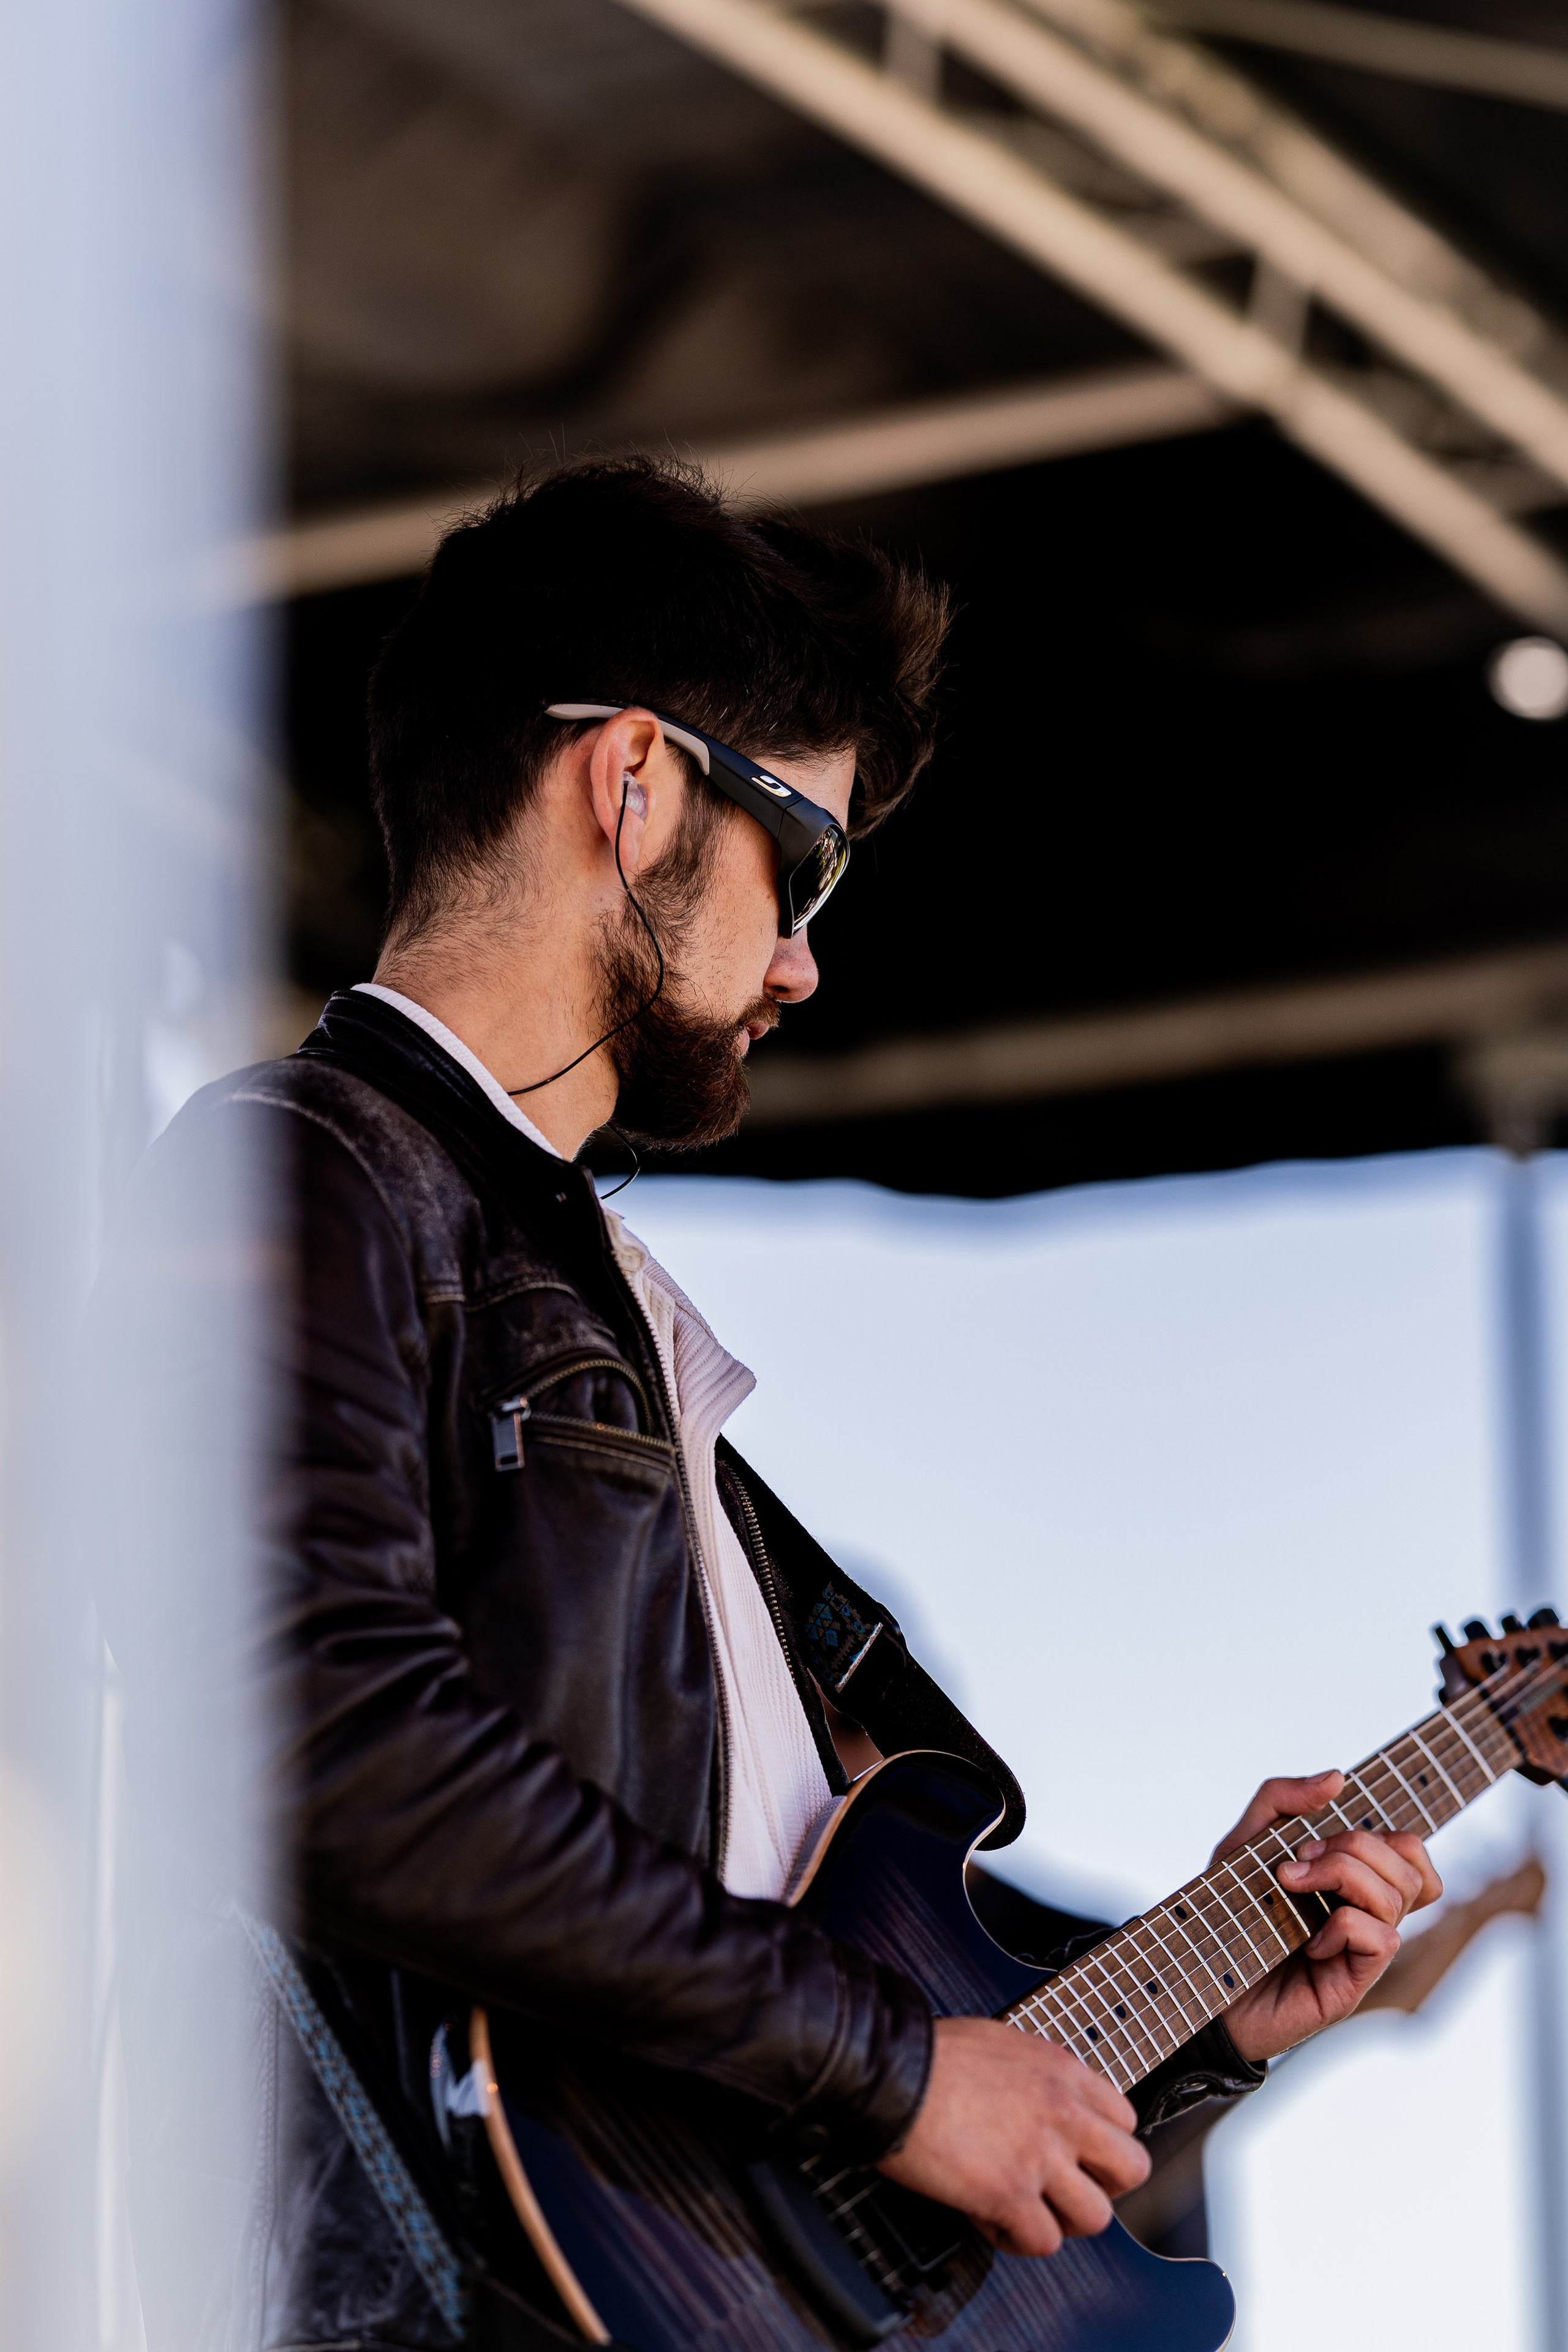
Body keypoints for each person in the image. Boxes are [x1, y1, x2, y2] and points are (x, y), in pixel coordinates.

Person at [92, 457, 1440, 2350]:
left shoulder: (601, 1296)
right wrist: (894, 2074)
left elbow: (786, 1958)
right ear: (631, 782)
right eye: (803, 858)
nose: (807, 955)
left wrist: (1191, 2010)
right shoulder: (307, 1164)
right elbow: (311, 1723)